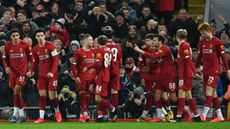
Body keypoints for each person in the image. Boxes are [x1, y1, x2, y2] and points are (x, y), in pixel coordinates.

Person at [134, 34, 177, 122]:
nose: (151, 42)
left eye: (153, 40)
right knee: (155, 95)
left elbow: (154, 57)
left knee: (172, 97)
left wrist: (139, 50)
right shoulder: (153, 49)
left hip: (169, 75)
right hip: (160, 75)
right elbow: (147, 62)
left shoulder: (164, 49)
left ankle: (182, 110)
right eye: (150, 40)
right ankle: (159, 117)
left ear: (159, 42)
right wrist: (147, 68)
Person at [195, 22, 230, 122]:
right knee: (213, 94)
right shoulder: (201, 42)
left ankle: (204, 115)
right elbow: (199, 57)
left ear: (209, 30)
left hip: (214, 70)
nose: (202, 35)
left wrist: (228, 71)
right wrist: (194, 68)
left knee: (208, 91)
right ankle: (220, 116)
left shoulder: (218, 42)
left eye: (204, 33)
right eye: (201, 33)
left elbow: (223, 58)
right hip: (205, 70)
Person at [27, 28, 62, 123]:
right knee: (42, 95)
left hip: (52, 75)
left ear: (44, 36)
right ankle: (41, 117)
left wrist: (52, 72)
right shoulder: (35, 48)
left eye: (42, 35)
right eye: (38, 36)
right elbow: (35, 62)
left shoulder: (51, 46)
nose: (40, 38)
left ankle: (57, 111)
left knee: (52, 97)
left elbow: (56, 61)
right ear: (35, 37)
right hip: (41, 75)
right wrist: (31, 71)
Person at [84, 35, 117, 122]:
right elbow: (113, 65)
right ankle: (102, 115)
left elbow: (98, 64)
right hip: (107, 76)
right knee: (102, 97)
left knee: (97, 98)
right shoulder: (109, 51)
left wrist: (88, 67)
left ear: (98, 42)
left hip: (101, 77)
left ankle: (112, 108)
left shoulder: (99, 51)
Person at [2, 28, 32, 123]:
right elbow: (4, 58)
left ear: (19, 36)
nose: (15, 37)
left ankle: (14, 115)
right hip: (12, 73)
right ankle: (22, 115)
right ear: (11, 37)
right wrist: (6, 67)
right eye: (13, 36)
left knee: (16, 91)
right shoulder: (7, 46)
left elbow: (32, 58)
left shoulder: (25, 45)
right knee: (17, 94)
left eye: (17, 35)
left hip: (22, 73)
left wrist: (30, 70)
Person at [175, 29, 201, 122]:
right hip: (184, 72)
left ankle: (178, 117)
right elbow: (184, 59)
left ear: (176, 37)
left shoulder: (184, 45)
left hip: (185, 73)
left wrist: (194, 72)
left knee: (182, 93)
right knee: (188, 95)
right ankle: (197, 115)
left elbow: (188, 60)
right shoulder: (182, 45)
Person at [71, 34, 96, 122]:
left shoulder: (94, 51)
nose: (92, 41)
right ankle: (85, 114)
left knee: (88, 97)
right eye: (91, 40)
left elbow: (98, 63)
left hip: (92, 78)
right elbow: (73, 66)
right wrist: (76, 77)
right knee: (82, 95)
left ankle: (82, 115)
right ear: (85, 41)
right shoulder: (78, 52)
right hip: (82, 77)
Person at [104, 26, 122, 120]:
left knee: (105, 93)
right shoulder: (117, 46)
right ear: (113, 36)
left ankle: (106, 113)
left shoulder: (104, 46)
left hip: (106, 71)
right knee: (114, 92)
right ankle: (115, 114)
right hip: (115, 70)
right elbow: (120, 60)